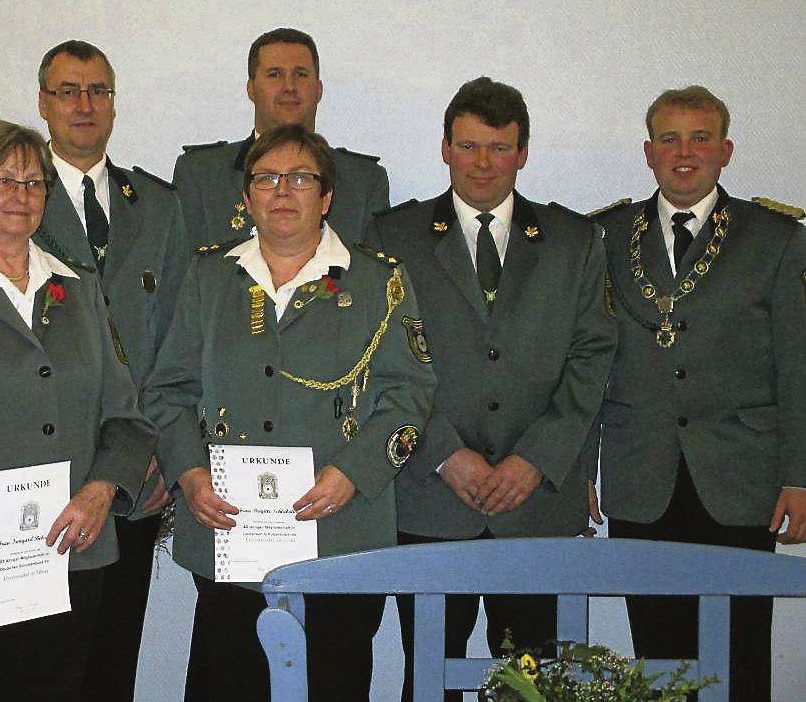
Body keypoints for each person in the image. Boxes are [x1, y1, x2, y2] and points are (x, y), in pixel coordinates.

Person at [145, 125, 435, 702]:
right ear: (246, 197)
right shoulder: (209, 278)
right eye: (266, 178)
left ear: (326, 197)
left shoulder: (380, 281)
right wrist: (188, 472)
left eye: (300, 178)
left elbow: (410, 397)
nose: (282, 190)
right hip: (229, 540)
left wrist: (354, 471)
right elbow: (168, 390)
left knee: (333, 686)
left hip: (340, 538)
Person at [0, 40, 186, 701]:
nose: (84, 104)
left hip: (112, 491)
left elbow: (177, 337)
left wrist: (147, 457)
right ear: (43, 102)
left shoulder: (158, 204)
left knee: (101, 667)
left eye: (97, 90)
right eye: (67, 91)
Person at [368, 76, 616, 701]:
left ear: (523, 153)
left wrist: (538, 458)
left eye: (499, 148)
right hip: (428, 495)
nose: (483, 163)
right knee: (427, 679)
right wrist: (444, 454)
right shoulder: (389, 238)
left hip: (535, 503)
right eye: (469, 145)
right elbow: (377, 358)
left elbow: (592, 357)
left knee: (534, 685)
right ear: (444, 148)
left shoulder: (575, 240)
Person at [587, 85, 806, 702]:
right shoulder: (604, 237)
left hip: (741, 478)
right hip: (639, 476)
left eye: (700, 138)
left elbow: (798, 365)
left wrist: (801, 476)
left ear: (725, 150)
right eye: (670, 139)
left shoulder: (775, 238)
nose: (685, 152)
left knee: (740, 661)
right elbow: (588, 364)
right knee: (657, 661)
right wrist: (579, 470)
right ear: (648, 152)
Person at [173, 27, 389, 250]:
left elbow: (376, 280)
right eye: (275, 74)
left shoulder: (365, 181)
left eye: (301, 74)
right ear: (251, 89)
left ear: (318, 89)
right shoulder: (201, 174)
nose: (289, 87)